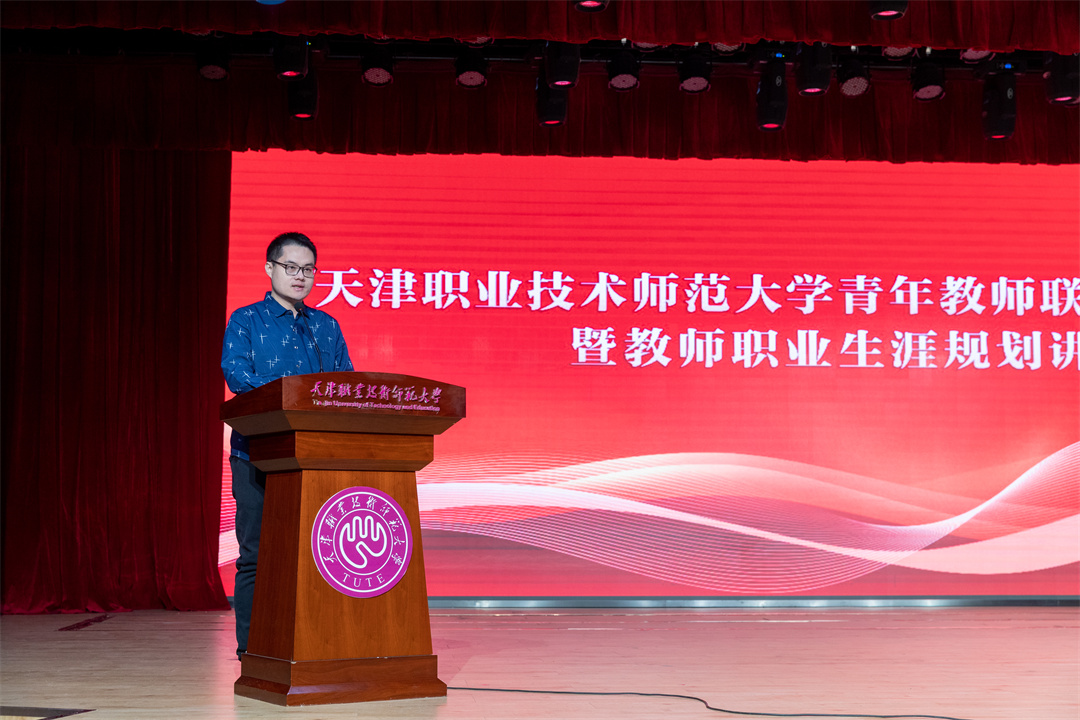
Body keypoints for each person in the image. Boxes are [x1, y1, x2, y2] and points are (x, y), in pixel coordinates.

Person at [221, 232, 353, 659]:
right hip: (256, 454)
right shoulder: (246, 320)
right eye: (291, 267)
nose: (301, 276)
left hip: (313, 457)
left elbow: (345, 386)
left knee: (316, 554)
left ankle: (313, 645)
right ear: (269, 268)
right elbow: (238, 377)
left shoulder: (325, 326)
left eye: (308, 269)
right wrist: (296, 395)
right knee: (256, 555)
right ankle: (253, 650)